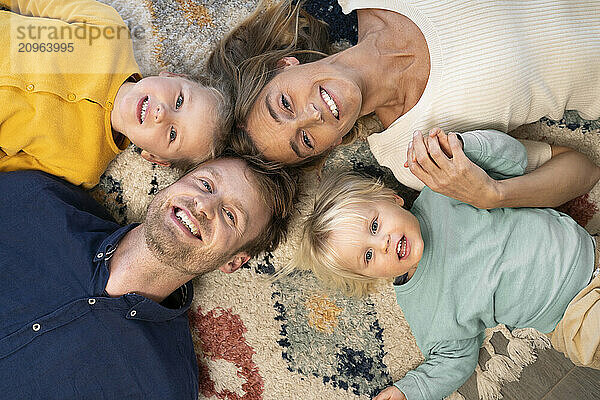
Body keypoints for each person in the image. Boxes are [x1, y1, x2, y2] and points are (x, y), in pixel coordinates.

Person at [291, 129, 600, 400]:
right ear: (369, 279)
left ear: (392, 199)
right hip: (574, 316)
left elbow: (514, 159)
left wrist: (462, 151)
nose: (382, 244)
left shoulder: (442, 192)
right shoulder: (423, 308)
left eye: (374, 226)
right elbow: (454, 358)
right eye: (368, 257)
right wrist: (410, 390)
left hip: (589, 248)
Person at [208, 0, 600, 209]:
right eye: (306, 141)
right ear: (330, 147)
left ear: (284, 65)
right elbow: (580, 170)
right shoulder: (413, 154)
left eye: (285, 104)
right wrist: (492, 195)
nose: (312, 116)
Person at [0, 154, 296, 399]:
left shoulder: (164, 389)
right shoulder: (31, 199)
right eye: (205, 184)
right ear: (173, 184)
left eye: (230, 215)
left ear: (233, 262)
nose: (204, 205)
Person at [0, 0, 230, 188]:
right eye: (179, 101)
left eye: (172, 134)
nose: (162, 112)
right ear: (173, 76)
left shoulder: (82, 168)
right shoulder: (109, 31)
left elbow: (8, 165)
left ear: (154, 158)